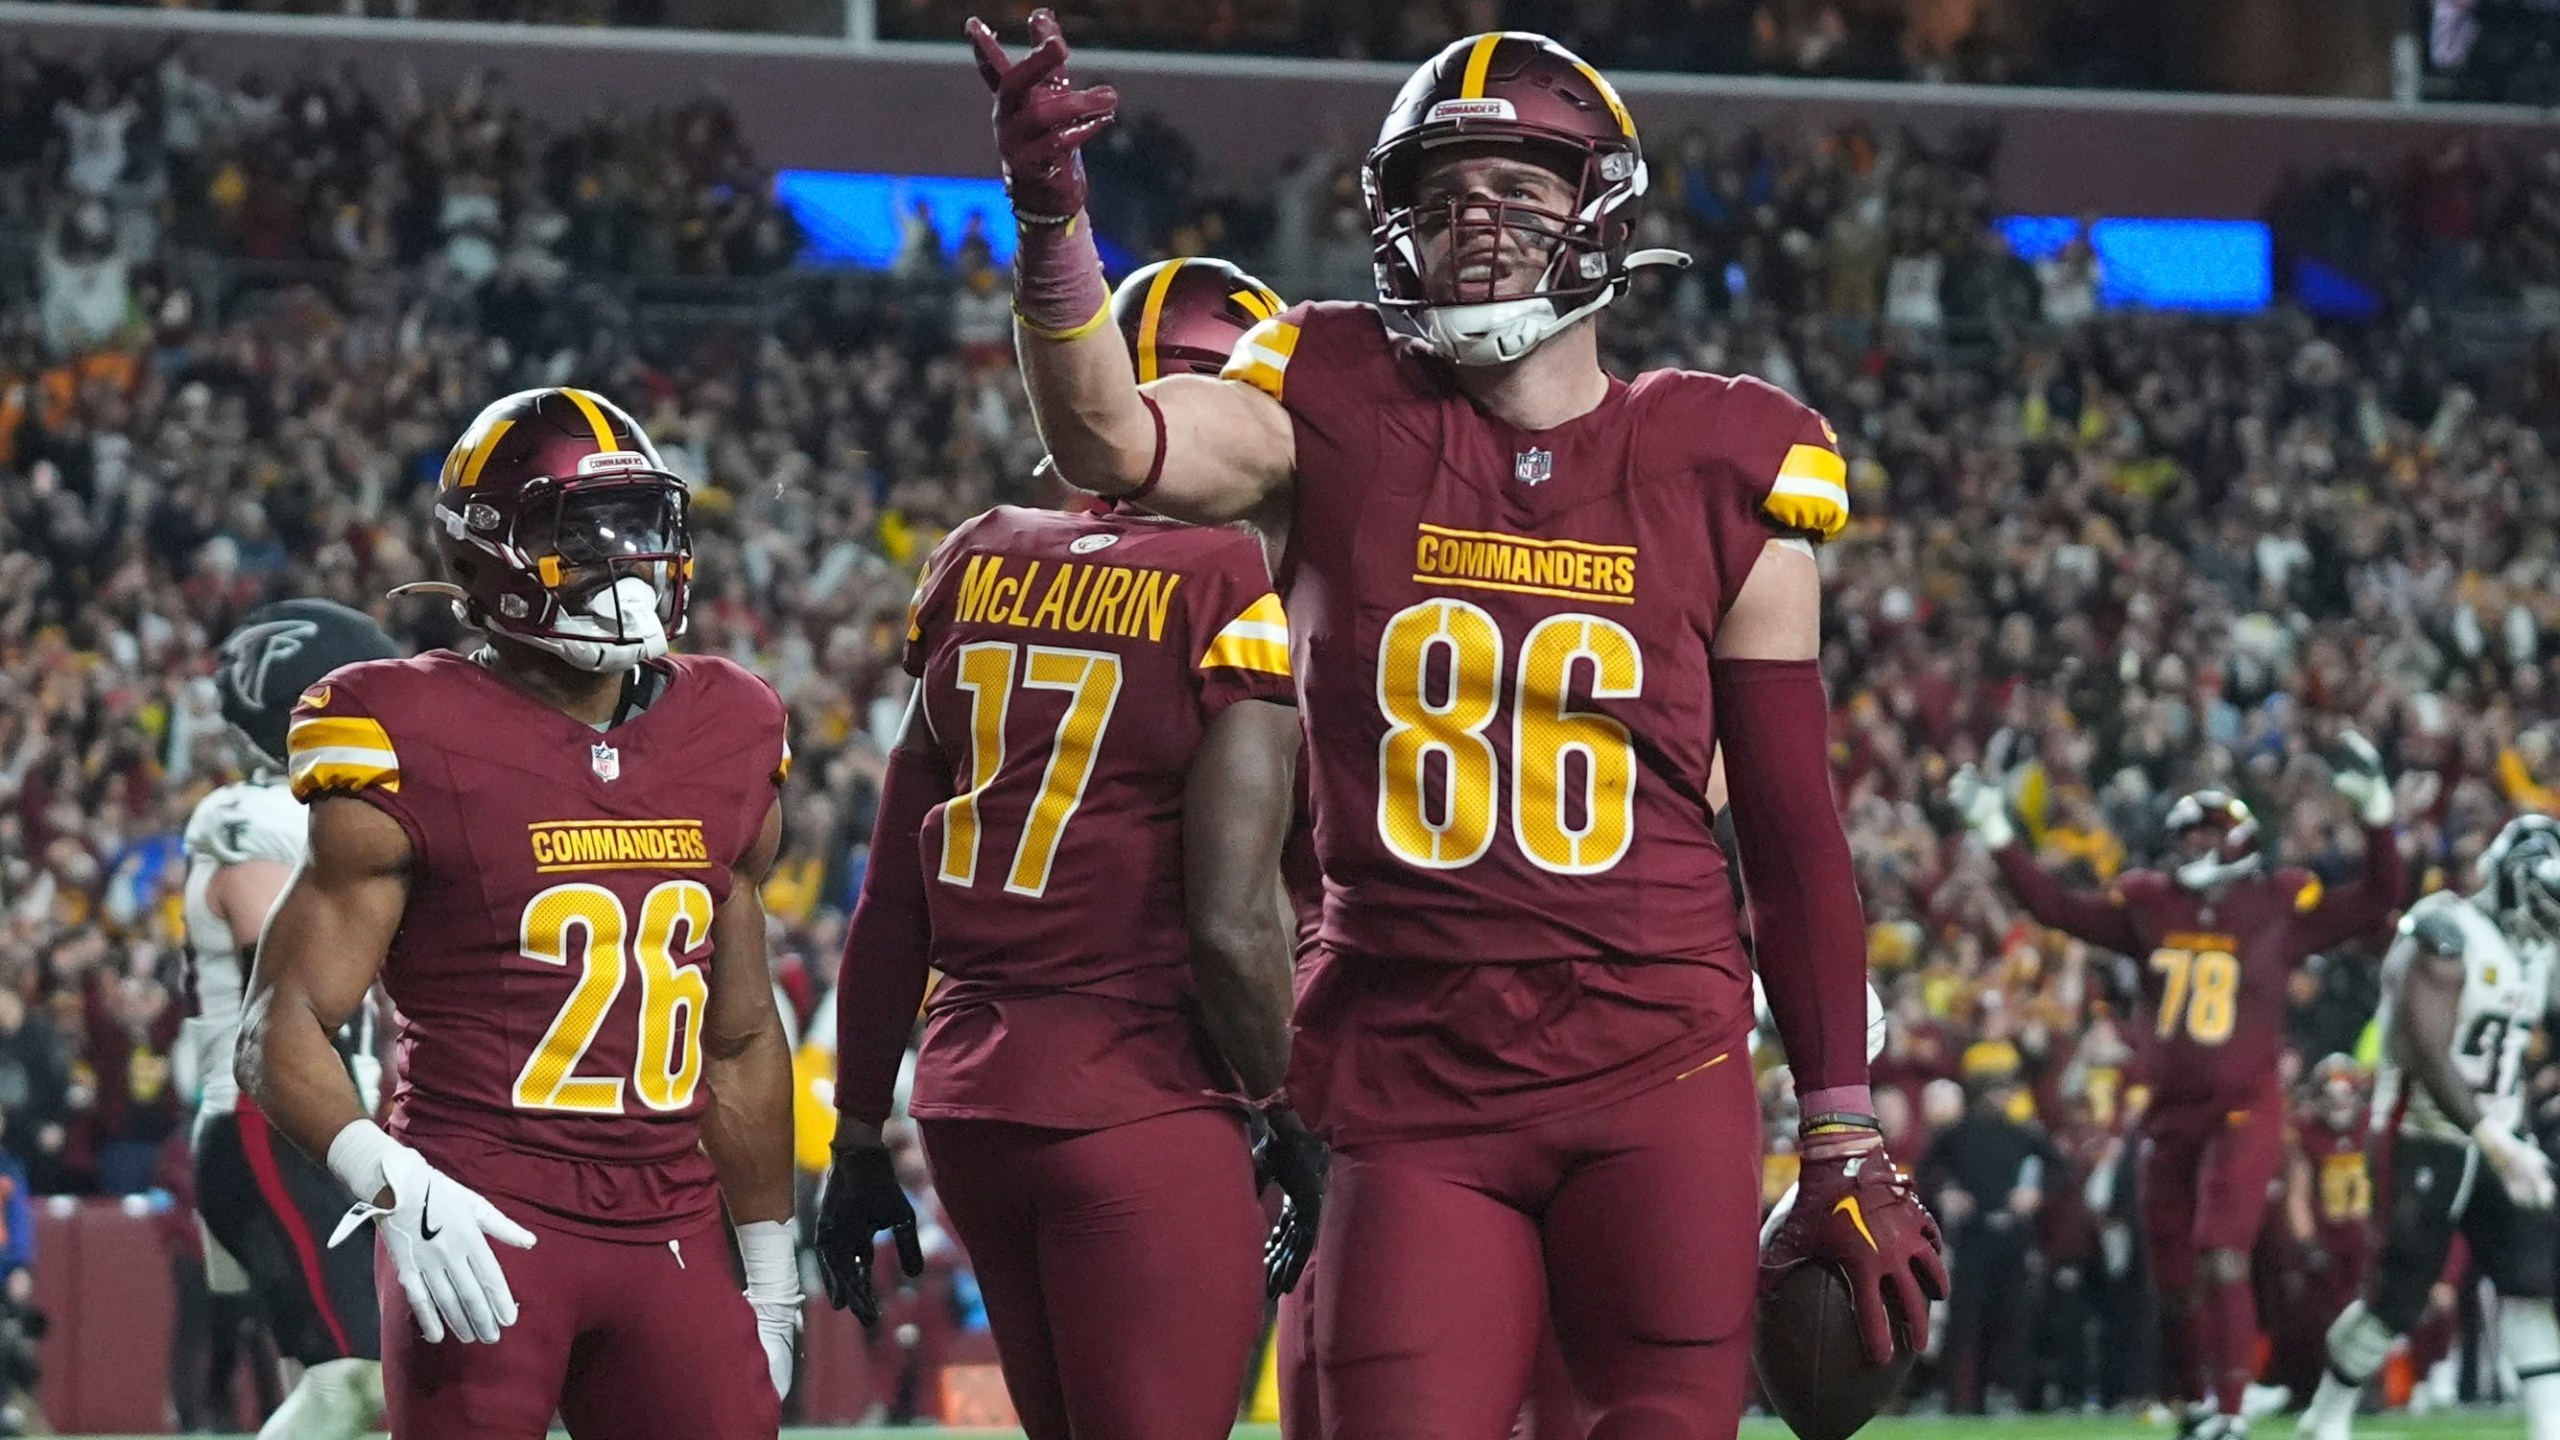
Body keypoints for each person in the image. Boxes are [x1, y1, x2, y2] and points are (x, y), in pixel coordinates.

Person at [966, 16, 1945, 1438]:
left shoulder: (1728, 458)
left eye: (1520, 194)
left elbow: (1794, 838)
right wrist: (1054, 224)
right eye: (1440, 199)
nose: (1475, 230)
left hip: (1654, 1064)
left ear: (1601, 211)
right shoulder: (1331, 391)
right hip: (1408, 1071)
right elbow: (1111, 445)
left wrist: (1843, 1126)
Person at [815, 257, 1321, 1440]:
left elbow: (893, 896)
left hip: (968, 1104)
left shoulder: (976, 552)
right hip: (1140, 1093)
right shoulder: (1230, 576)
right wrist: (1294, 1114)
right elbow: (1231, 921)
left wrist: (852, 1131)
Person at [237, 387, 801, 1440]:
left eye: (640, 526)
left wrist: (772, 1267)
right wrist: (392, 1180)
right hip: (484, 1212)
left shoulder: (730, 723)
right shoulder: (404, 725)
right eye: (580, 533)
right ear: (491, 551)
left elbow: (739, 1034)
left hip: (670, 1222)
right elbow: (283, 1025)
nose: (626, 560)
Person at [1955, 737, 2408, 1440]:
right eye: (2185, 833)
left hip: (2243, 1104)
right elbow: (2052, 907)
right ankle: (2197, 1399)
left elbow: (2381, 895)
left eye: (2205, 833)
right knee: (2170, 1275)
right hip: (2169, 1111)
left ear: (2239, 840)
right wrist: (1996, 831)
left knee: (2221, 1247)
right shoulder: (2150, 905)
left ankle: (2229, 1412)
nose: (2190, 844)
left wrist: (2378, 816)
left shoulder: (2276, 903)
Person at [187, 599, 399, 1440]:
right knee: (357, 1386)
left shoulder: (330, 815)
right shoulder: (255, 818)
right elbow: (293, 976)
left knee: (354, 1398)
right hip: (270, 1127)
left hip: (332, 1133)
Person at [2296, 815, 2560, 1440]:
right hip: (2420, 1131)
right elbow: (2425, 1049)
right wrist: (2496, 1140)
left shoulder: (2538, 950)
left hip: (2501, 1137)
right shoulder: (2446, 931)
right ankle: (2327, 1413)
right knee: (2398, 1300)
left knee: (2535, 1279)